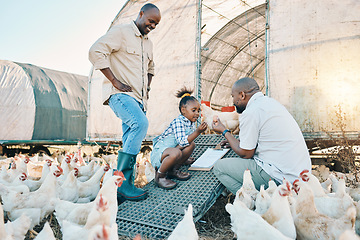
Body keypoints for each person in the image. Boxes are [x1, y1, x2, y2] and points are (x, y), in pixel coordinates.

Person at [88, 3, 161, 202]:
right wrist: (114, 81)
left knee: (130, 134)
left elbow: (151, 67)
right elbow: (95, 51)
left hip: (139, 99)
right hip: (119, 95)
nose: (153, 26)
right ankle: (124, 182)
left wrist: (147, 87)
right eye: (151, 21)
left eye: (156, 24)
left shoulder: (148, 44)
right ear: (141, 14)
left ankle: (116, 188)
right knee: (141, 124)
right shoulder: (120, 32)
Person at [212, 77, 311, 194]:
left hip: (280, 177)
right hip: (299, 175)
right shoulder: (271, 103)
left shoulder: (251, 112)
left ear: (242, 95)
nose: (233, 101)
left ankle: (251, 202)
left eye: (233, 96)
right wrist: (234, 142)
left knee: (219, 167)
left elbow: (246, 153)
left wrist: (224, 131)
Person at [150, 88, 208, 189]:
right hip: (160, 155)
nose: (197, 113)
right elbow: (182, 141)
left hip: (171, 151)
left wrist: (184, 157)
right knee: (176, 153)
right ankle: (160, 176)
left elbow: (185, 143)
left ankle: (173, 170)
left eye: (198, 111)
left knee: (191, 145)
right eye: (193, 110)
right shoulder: (179, 122)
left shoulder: (189, 122)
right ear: (183, 110)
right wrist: (198, 132)